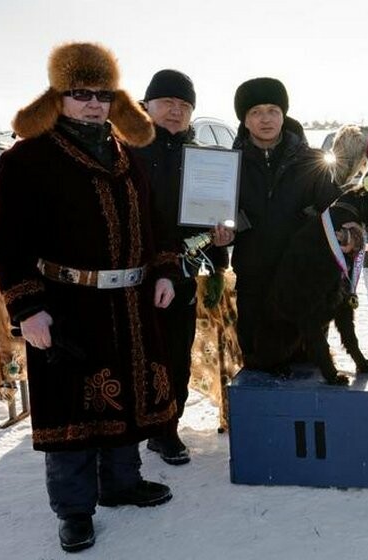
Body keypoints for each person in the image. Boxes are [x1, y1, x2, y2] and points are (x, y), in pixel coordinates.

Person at [0, 42, 179, 552]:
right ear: (59, 96)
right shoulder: (28, 158)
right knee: (74, 411)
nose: (93, 104)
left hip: (132, 302)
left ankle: (121, 483)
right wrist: (27, 307)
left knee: (129, 395)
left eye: (102, 94)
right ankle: (74, 508)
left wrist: (162, 270)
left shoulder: (125, 154)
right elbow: (8, 245)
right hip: (68, 303)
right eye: (81, 94)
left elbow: (154, 221)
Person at [135, 69, 232, 465]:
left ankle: (166, 430)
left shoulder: (203, 158)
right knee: (136, 355)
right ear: (148, 106)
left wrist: (222, 236)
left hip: (185, 268)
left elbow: (213, 218)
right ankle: (127, 435)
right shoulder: (127, 150)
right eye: (168, 103)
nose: (176, 111)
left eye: (184, 105)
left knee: (176, 352)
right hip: (133, 270)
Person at [230, 77, 340, 360]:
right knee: (257, 364)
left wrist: (348, 231)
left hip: (303, 284)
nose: (265, 119)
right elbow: (216, 216)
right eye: (256, 112)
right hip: (254, 283)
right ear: (244, 120)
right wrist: (221, 231)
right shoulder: (230, 165)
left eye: (273, 110)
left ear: (284, 115)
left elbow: (335, 211)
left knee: (307, 366)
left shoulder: (312, 162)